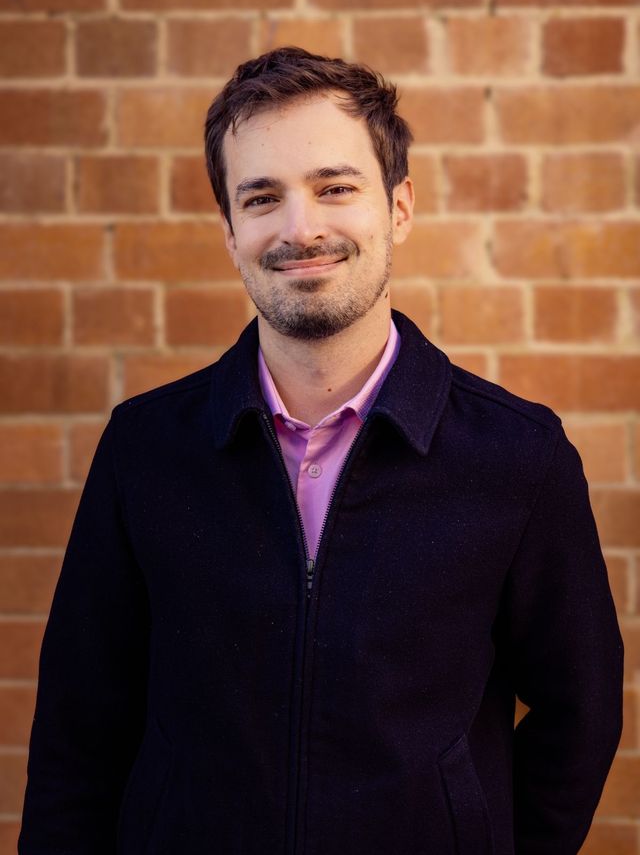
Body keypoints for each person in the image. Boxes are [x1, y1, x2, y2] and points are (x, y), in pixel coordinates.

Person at [19, 47, 623, 855]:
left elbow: (578, 712)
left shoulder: (519, 457)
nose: (300, 228)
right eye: (262, 197)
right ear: (230, 232)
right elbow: (77, 730)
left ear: (399, 206)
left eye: (335, 187)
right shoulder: (145, 450)